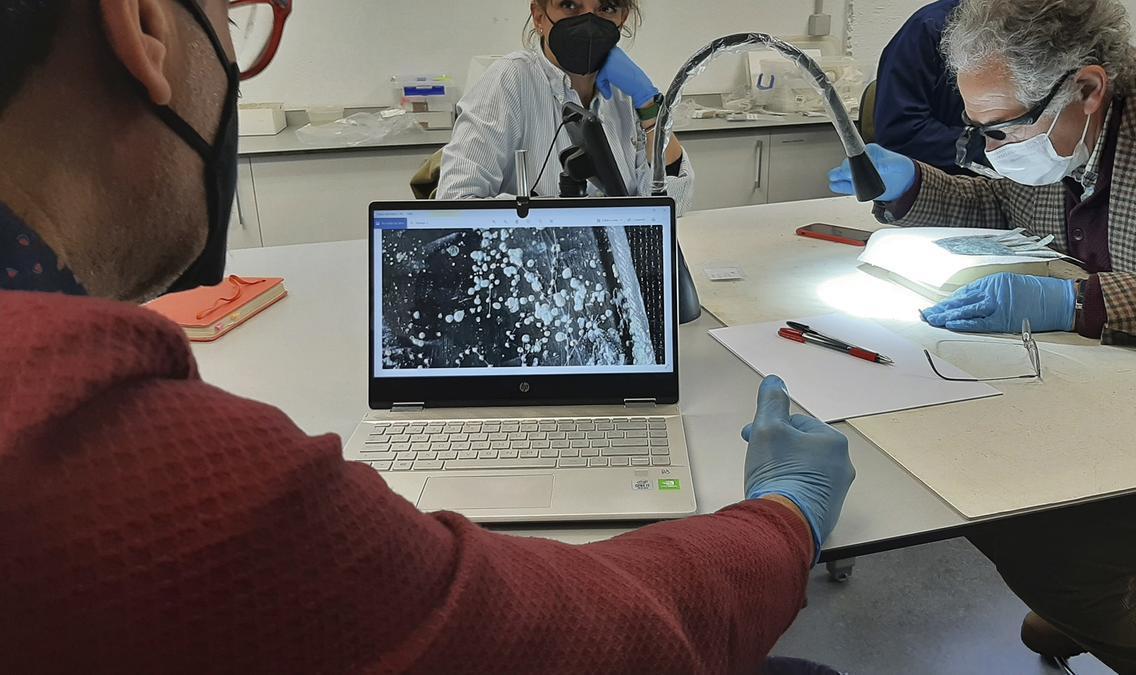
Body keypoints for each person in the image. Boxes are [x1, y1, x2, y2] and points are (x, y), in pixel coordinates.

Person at [0, 1, 855, 672]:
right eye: (236, 22)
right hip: (522, 308)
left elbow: (666, 207)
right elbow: (576, 637)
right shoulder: (136, 462)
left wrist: (660, 137)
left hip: (616, 312)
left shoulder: (636, 92)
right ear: (144, 25)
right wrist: (784, 513)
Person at [830, 0, 1136, 671]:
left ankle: (1114, 608)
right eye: (981, 133)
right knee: (987, 493)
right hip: (1124, 389)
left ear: (1088, 87)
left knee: (1047, 549)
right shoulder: (1066, 130)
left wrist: (1080, 300)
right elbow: (1007, 202)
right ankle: (1106, 602)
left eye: (1002, 131)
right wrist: (915, 186)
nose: (994, 154)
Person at [437, 0, 695, 211]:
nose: (589, 23)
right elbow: (455, 203)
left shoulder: (628, 92)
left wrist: (650, 107)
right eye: (570, 5)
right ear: (539, 16)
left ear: (622, 18)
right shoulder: (510, 80)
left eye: (606, 8)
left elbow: (674, 205)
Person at [874, 0, 986, 175]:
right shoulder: (930, 28)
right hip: (945, 181)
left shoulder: (1034, 30)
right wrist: (989, 148)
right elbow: (901, 135)